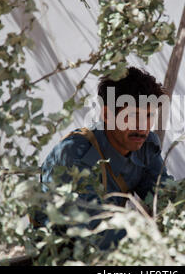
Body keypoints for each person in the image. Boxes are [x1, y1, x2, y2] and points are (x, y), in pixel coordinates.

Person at [33, 66, 173, 250]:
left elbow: (167, 199)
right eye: (132, 116)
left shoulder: (144, 145)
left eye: (149, 116)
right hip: (59, 253)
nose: (142, 127)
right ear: (107, 115)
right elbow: (95, 234)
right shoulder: (76, 154)